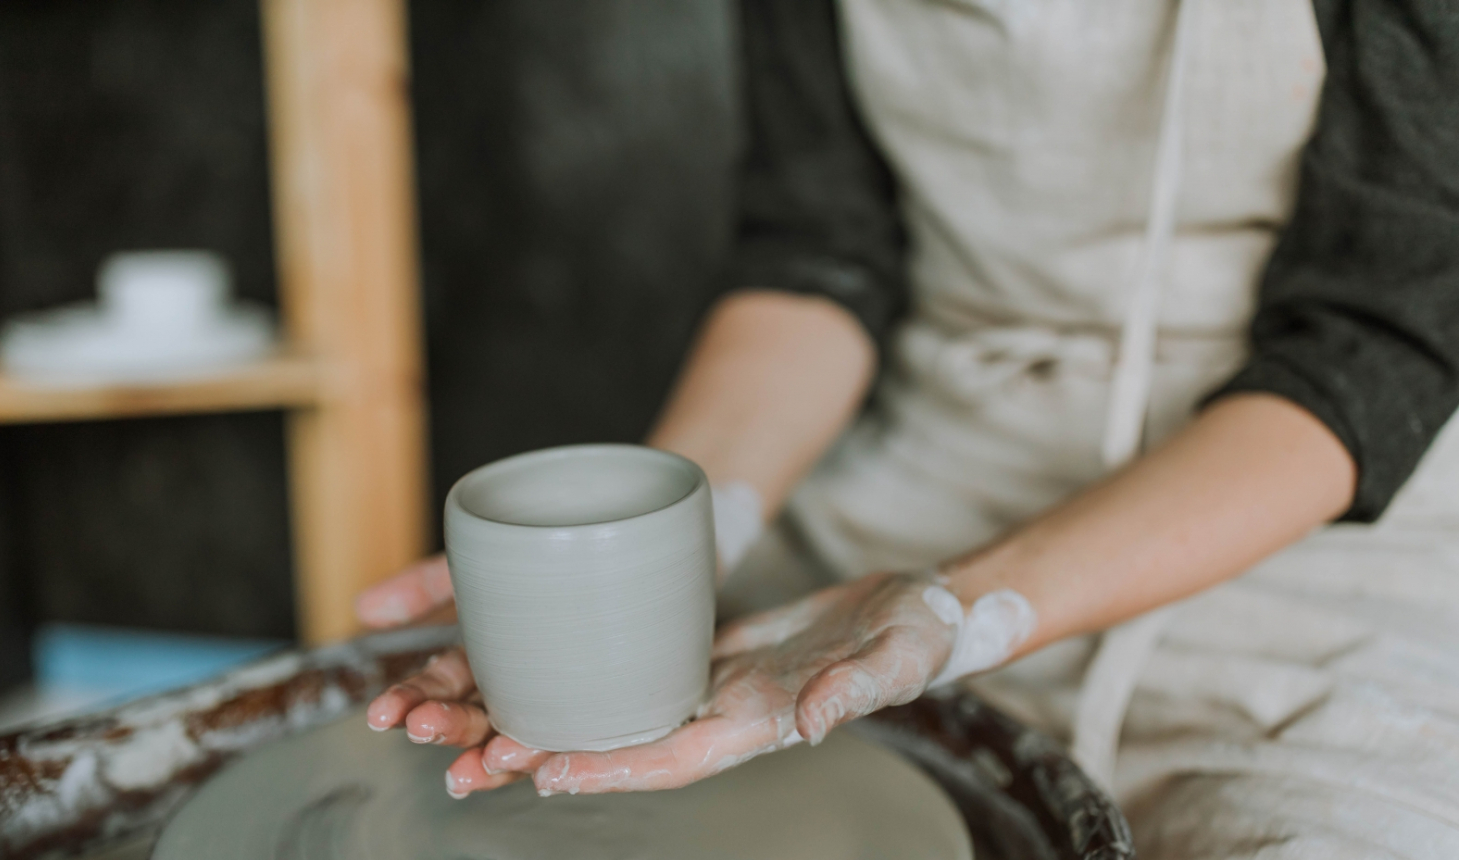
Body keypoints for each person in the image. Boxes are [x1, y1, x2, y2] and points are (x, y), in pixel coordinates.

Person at [362, 1, 1459, 856]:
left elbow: (1378, 340)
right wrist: (665, 551)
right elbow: (820, 253)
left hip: (1305, 513)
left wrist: (955, 611)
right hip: (925, 476)